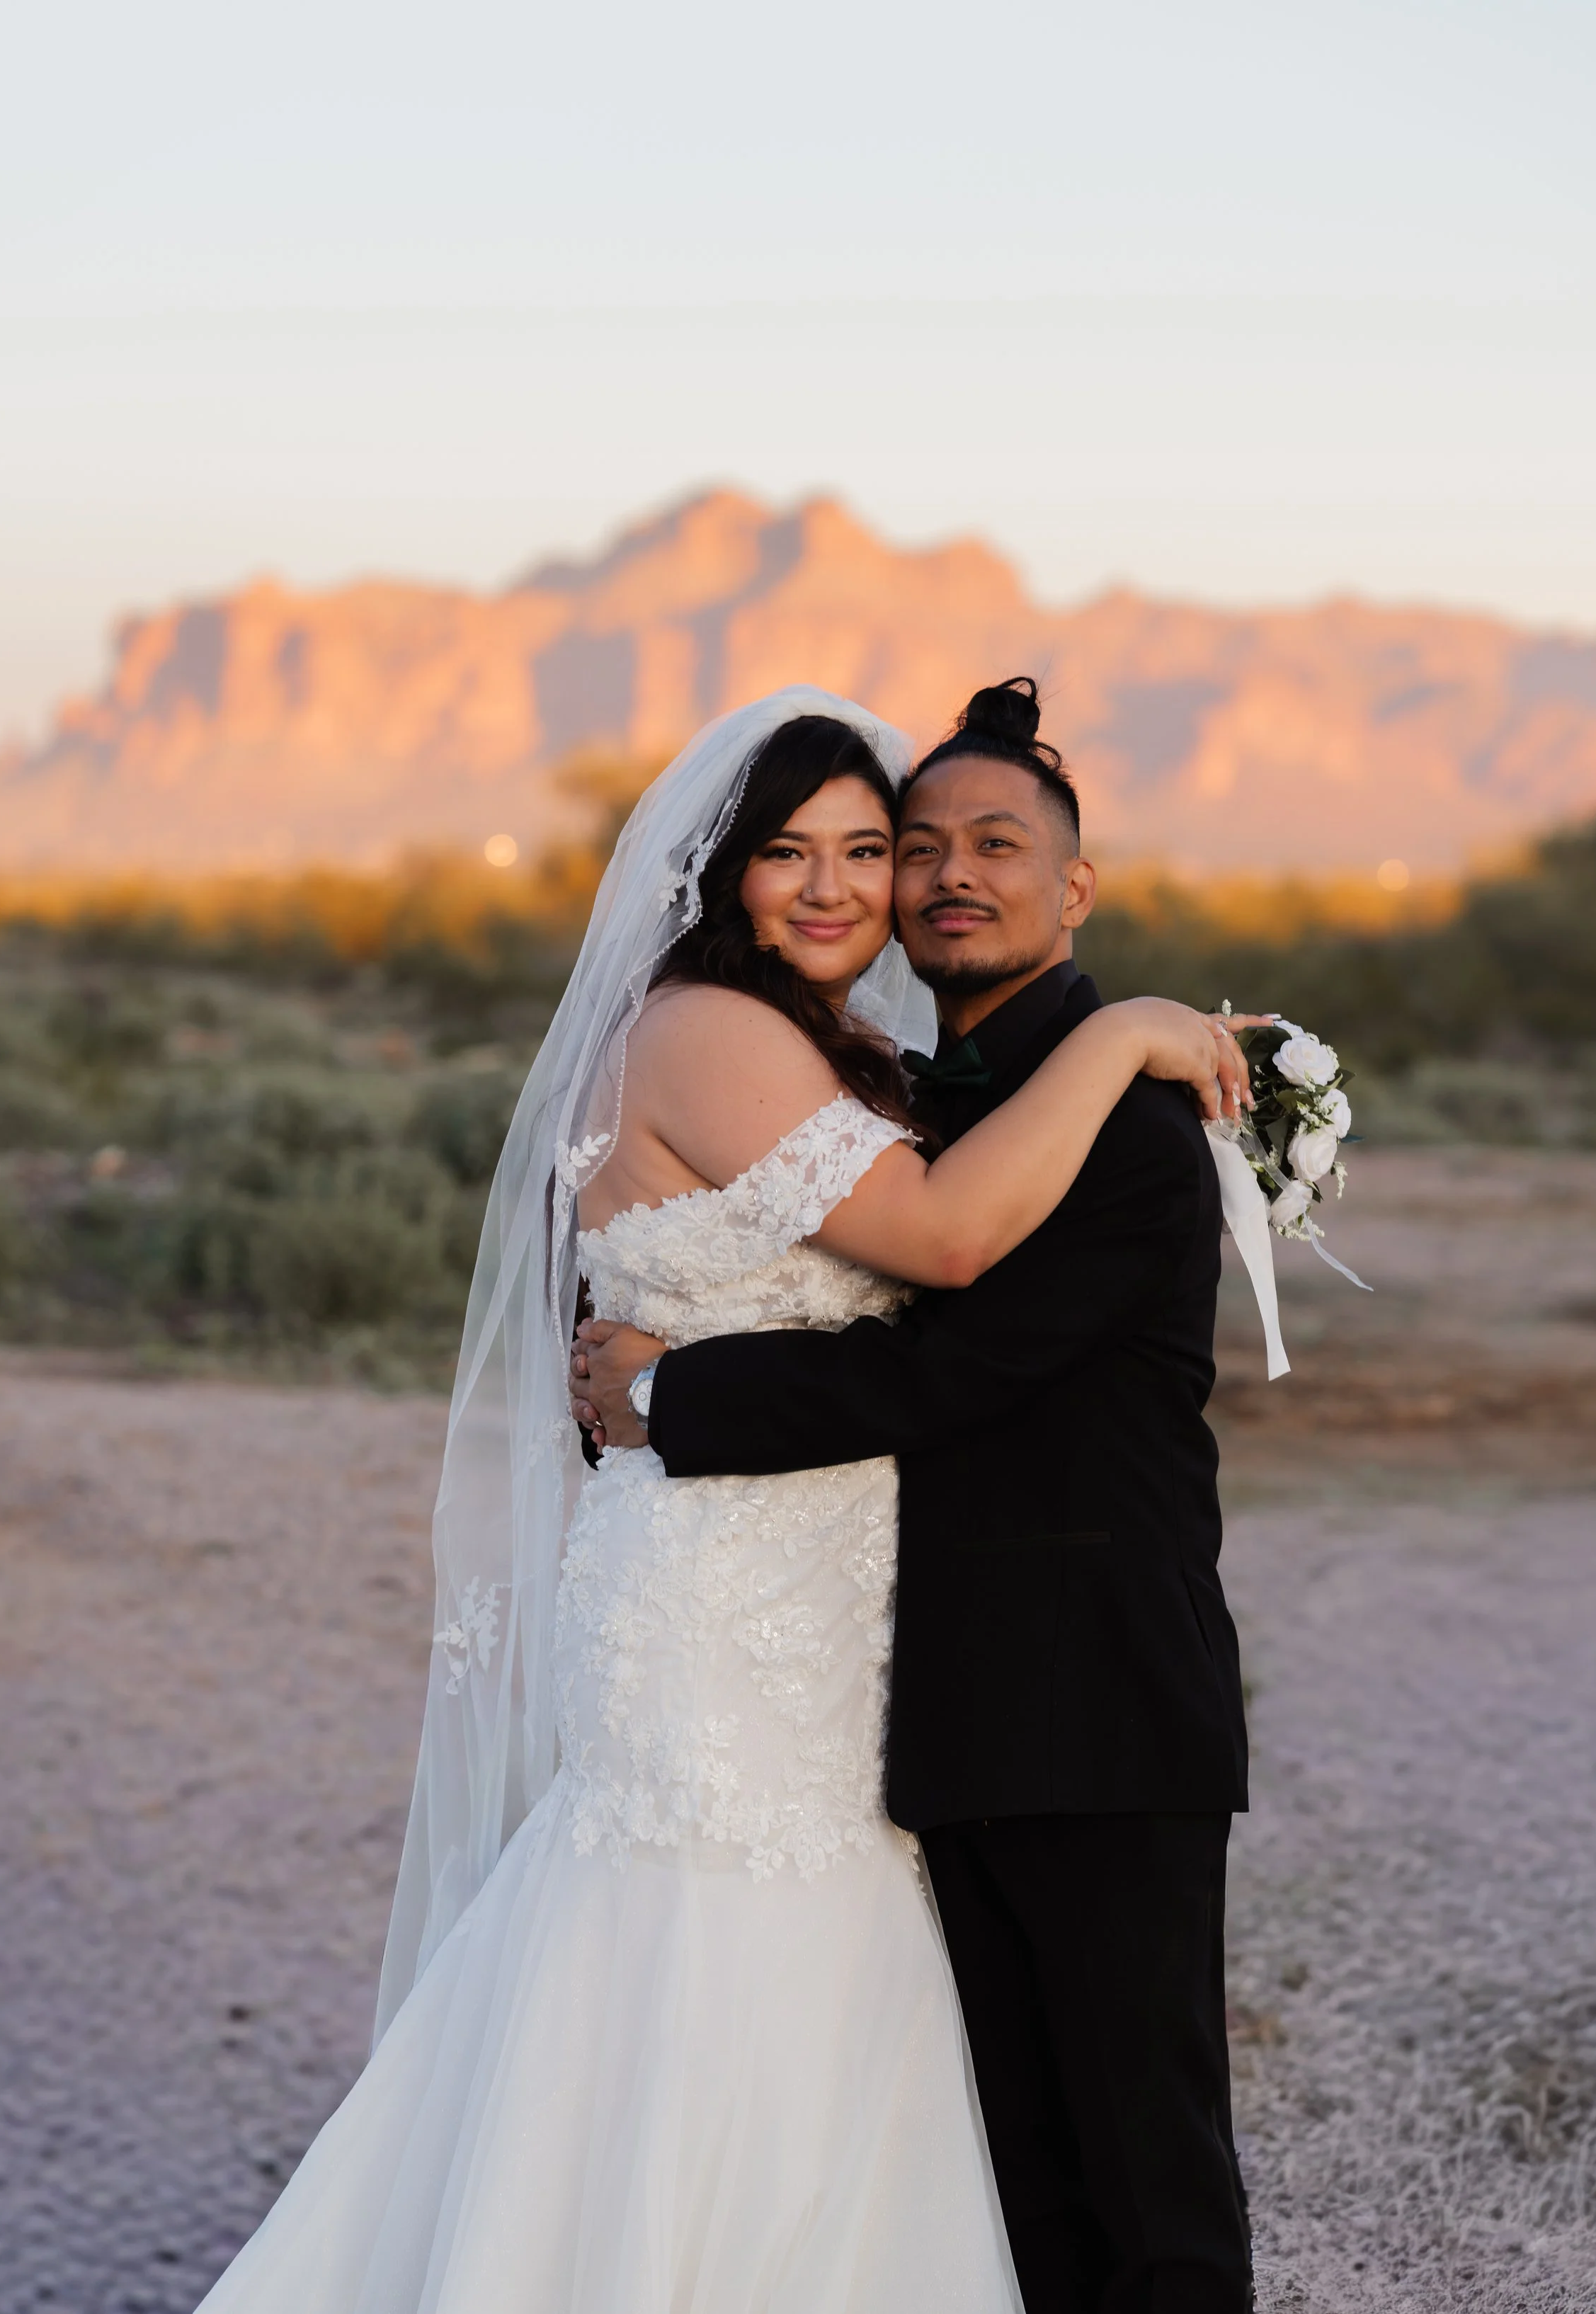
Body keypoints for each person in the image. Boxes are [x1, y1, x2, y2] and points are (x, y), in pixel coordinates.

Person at [191, 685, 1248, 2314]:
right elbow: (948, 1250)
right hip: (729, 1622)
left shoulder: (883, 1063)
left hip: (915, 1648)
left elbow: (937, 1326)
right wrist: (1118, 1030)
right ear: (717, 871)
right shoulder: (716, 1030)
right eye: (791, 852)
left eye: (862, 851)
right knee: (712, 1980)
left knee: (978, 2082)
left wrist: (664, 1383)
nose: (840, 887)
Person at [576, 679, 1258, 2314]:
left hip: (1090, 1698)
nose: (935, 874)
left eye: (986, 844)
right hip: (903, 1706)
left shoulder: (1123, 1122)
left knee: (1144, 2187)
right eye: (914, 845)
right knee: (1000, 2180)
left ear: (1072, 886)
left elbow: (945, 1364)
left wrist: (665, 1393)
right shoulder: (876, 1087)